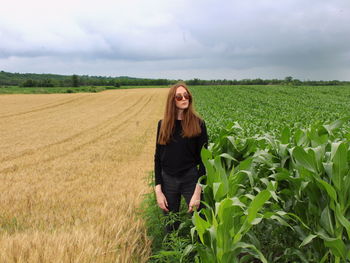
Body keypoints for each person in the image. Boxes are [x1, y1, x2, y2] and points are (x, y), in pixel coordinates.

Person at [154, 82, 208, 231]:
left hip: (190, 178)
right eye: (179, 96)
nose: (184, 98)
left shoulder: (199, 124)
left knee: (200, 224)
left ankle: (199, 253)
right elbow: (157, 158)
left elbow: (205, 161)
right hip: (168, 180)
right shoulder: (163, 125)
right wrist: (158, 191)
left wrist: (198, 192)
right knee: (170, 226)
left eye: (187, 95)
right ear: (172, 100)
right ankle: (173, 254)